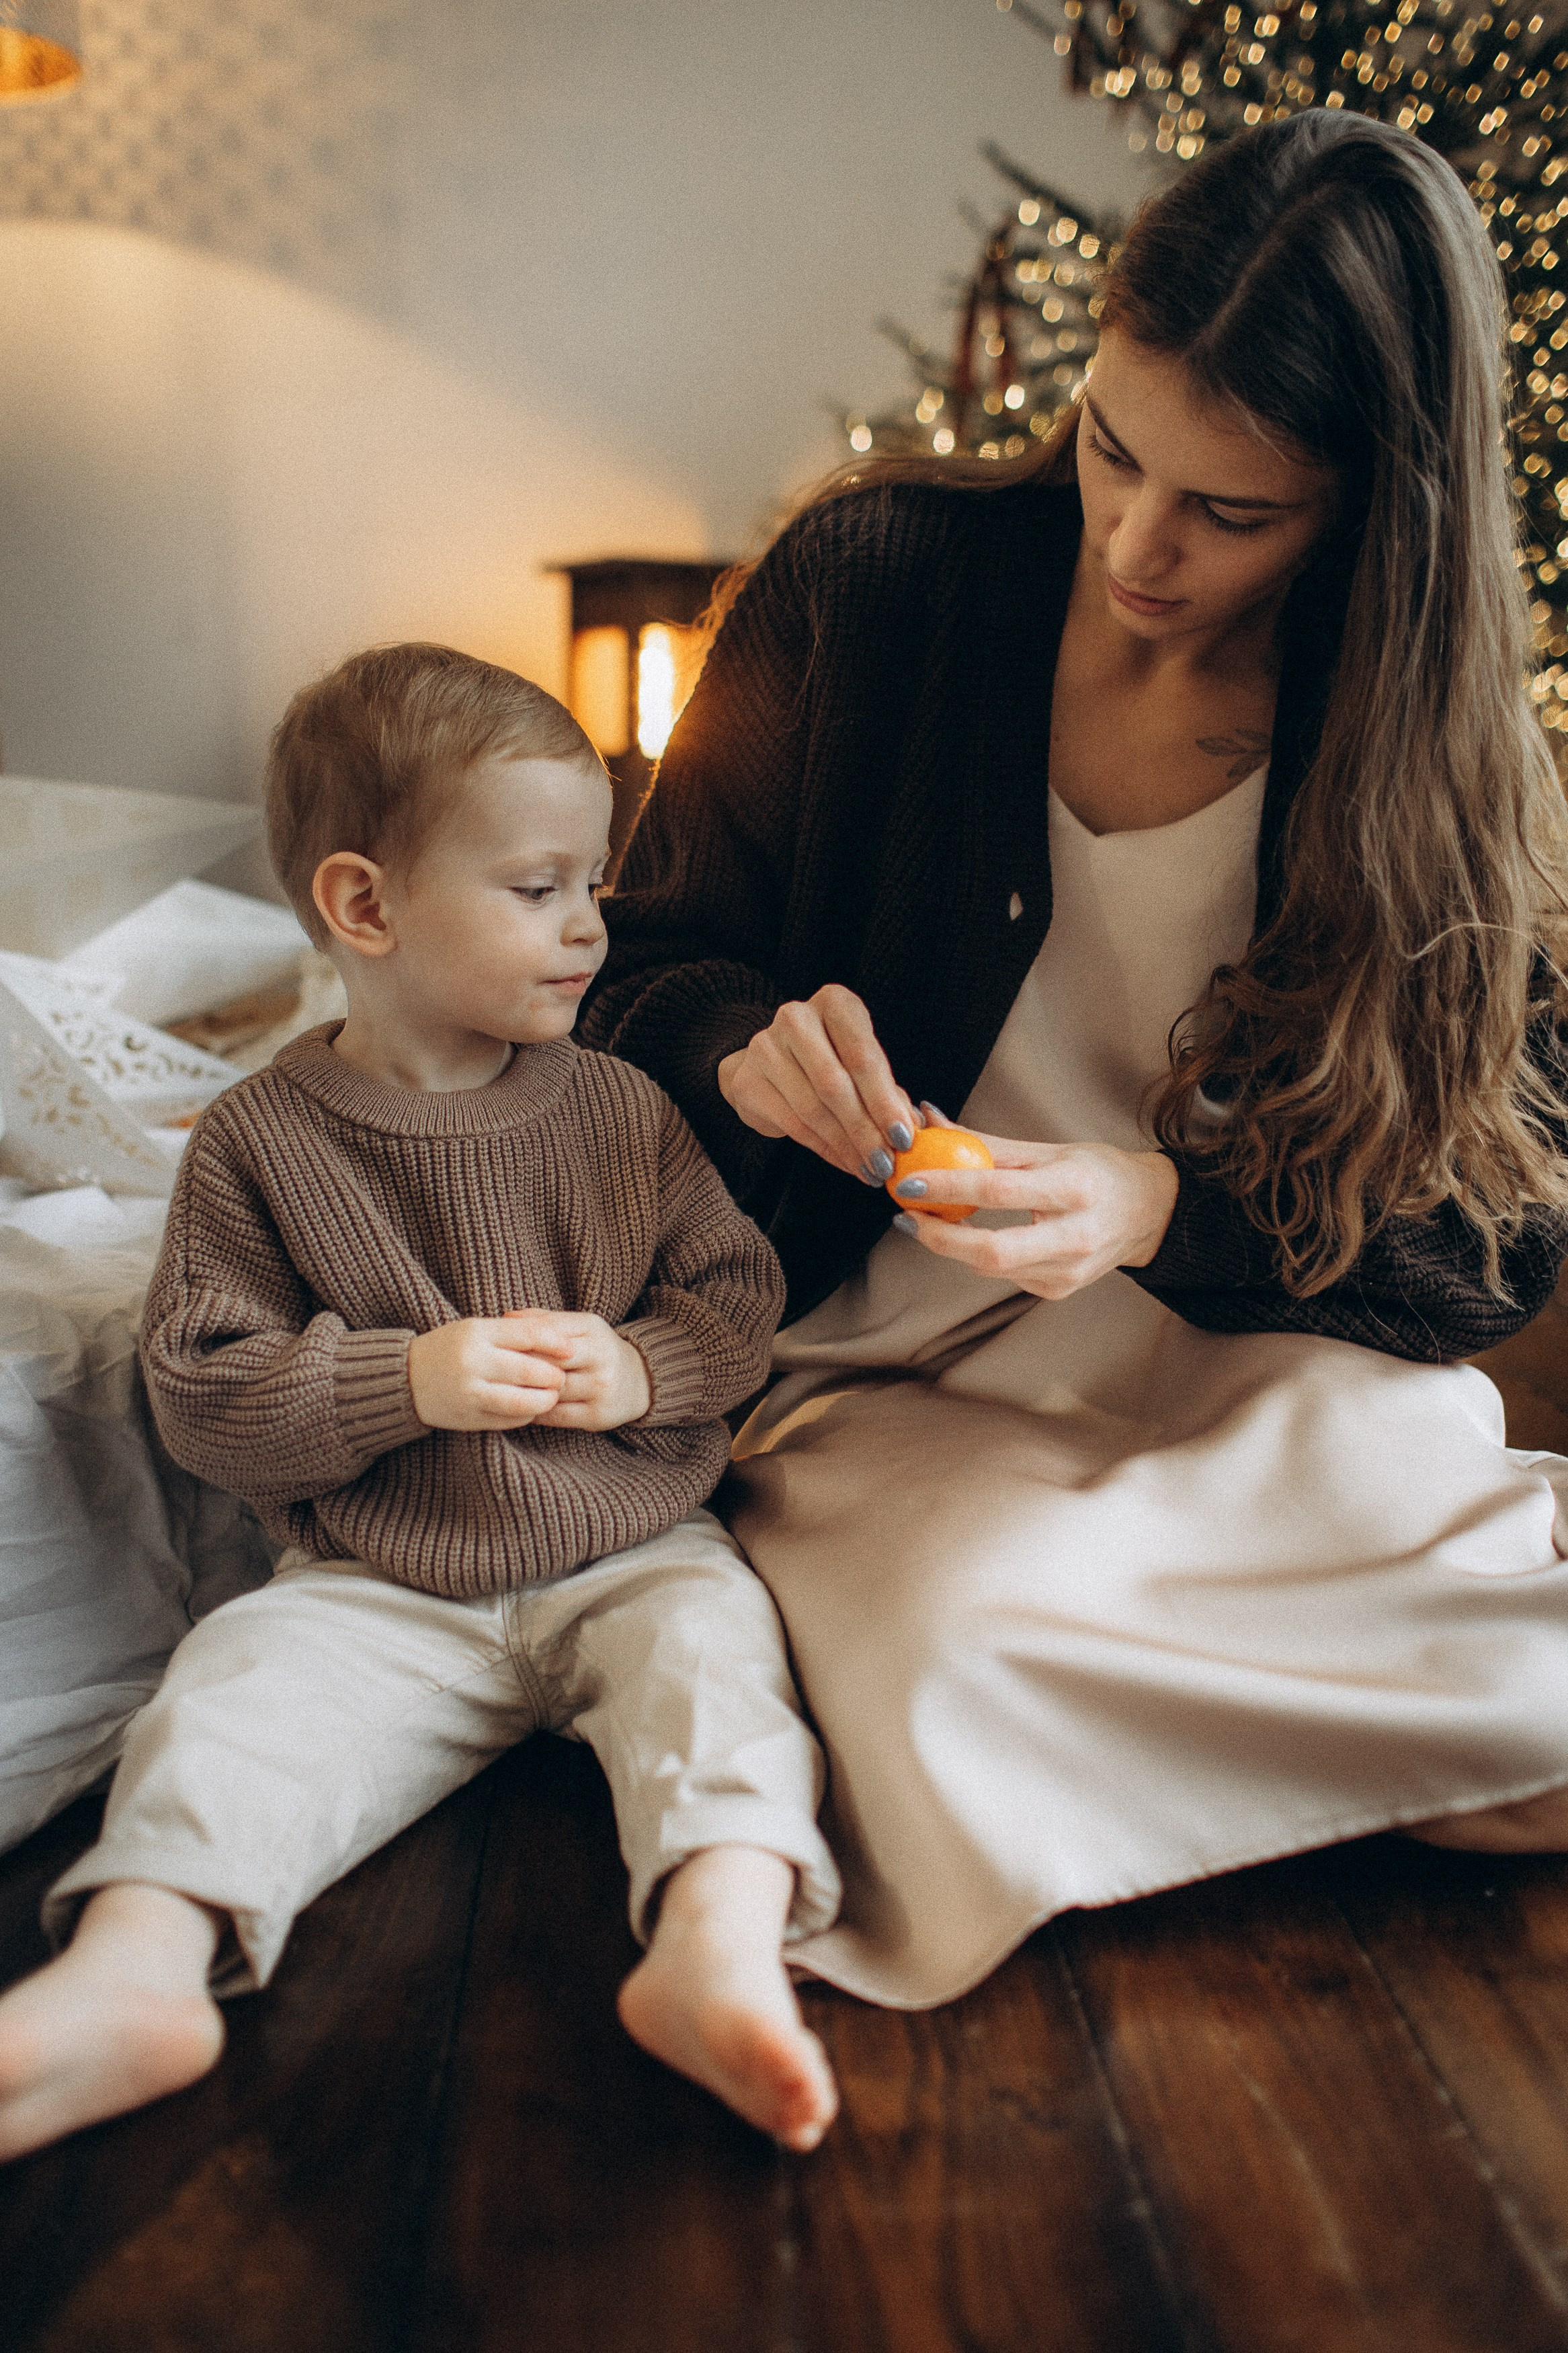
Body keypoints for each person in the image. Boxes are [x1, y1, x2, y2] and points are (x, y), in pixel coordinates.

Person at [582, 110, 1568, 2009]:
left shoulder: (1431, 752)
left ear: (1377, 503)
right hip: (888, 1374)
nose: (1136, 540)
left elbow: (1493, 1252)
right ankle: (1337, 1759)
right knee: (949, 1651)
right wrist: (740, 1048)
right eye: (1114, 445)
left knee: (1488, 1647)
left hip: (1261, 1365)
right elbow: (636, 966)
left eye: (1232, 509)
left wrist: (1153, 1208)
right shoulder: (874, 581)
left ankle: (1233, 1757)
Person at [0, 645, 841, 2161]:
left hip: (631, 1548)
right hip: (377, 1580)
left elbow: (734, 1296)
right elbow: (202, 1393)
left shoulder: (622, 1107)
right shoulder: (258, 1142)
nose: (590, 927)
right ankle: (140, 1970)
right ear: (365, 907)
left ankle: (715, 1946)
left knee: (723, 1675)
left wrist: (644, 1367)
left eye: (594, 883)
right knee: (227, 1701)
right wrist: (405, 1379)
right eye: (538, 888)